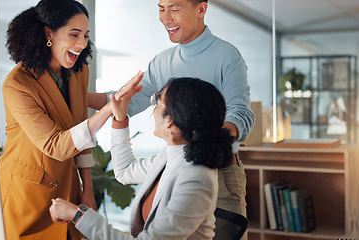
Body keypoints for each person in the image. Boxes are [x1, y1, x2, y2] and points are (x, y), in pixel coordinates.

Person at [87, 0, 255, 225]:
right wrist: (68, 94)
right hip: (176, 166)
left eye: (174, 9)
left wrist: (202, 147)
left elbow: (241, 113)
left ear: (201, 9)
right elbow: (125, 100)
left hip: (220, 171)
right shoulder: (162, 62)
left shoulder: (227, 56)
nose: (166, 18)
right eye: (161, 9)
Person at [0, 0, 143, 239]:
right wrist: (108, 109)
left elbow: (80, 132)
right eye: (74, 34)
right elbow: (55, 145)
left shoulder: (78, 72)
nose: (82, 43)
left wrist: (87, 189)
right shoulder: (17, 84)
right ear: (48, 34)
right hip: (26, 193)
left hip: (68, 189)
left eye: (86, 35)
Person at [50, 77, 234, 239]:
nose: (152, 109)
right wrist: (120, 120)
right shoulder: (173, 154)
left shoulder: (197, 180)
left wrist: (79, 215)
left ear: (170, 120)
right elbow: (125, 172)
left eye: (157, 101)